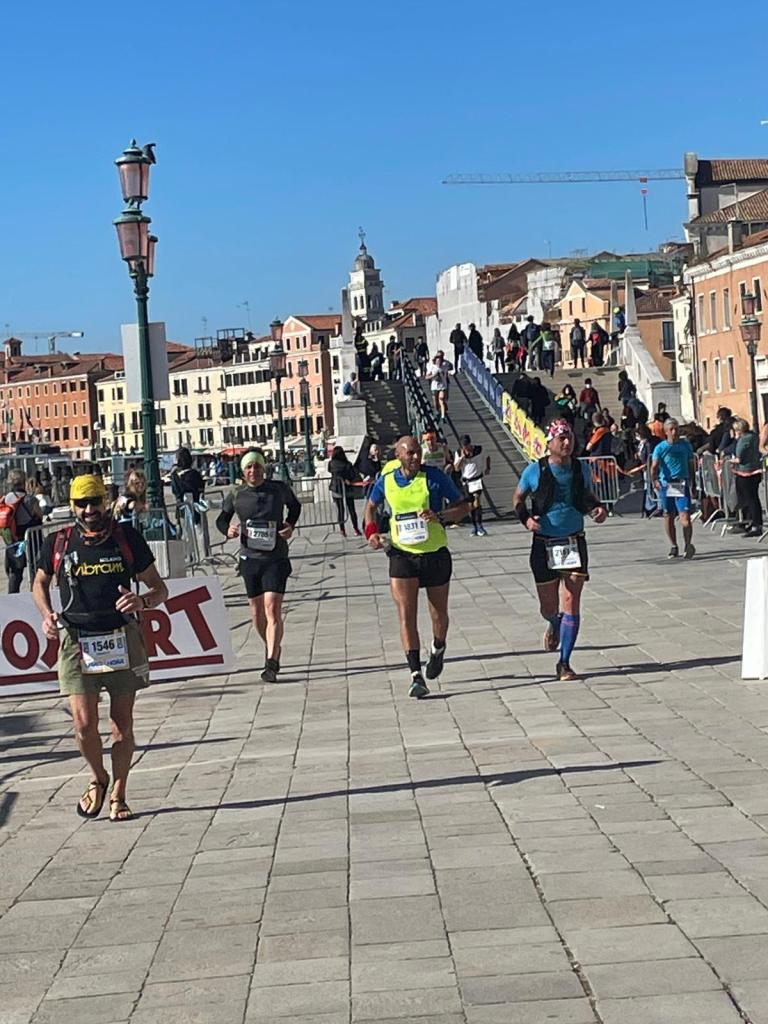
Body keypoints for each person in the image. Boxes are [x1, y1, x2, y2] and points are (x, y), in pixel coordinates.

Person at [32, 474, 168, 821]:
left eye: (94, 501)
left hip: (121, 636)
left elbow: (159, 589)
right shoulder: (59, 541)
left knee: (121, 724)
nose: (89, 509)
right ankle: (99, 777)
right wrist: (47, 615)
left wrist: (142, 601)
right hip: (76, 640)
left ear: (105, 502)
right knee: (83, 725)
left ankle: (119, 794)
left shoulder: (127, 538)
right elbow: (39, 582)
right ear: (72, 506)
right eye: (81, 503)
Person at [364, 436, 470, 698]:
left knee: (438, 615)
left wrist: (440, 516)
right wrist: (371, 532)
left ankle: (438, 647)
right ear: (398, 456)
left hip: (434, 554)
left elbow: (463, 507)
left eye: (417, 452)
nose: (415, 457)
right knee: (406, 614)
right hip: (402, 554)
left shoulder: (434, 477)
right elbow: (370, 507)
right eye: (409, 453)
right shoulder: (387, 480)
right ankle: (415, 675)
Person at [513, 419, 607, 681]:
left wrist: (597, 508)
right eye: (561, 438)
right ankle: (554, 623)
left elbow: (586, 494)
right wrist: (526, 519)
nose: (567, 443)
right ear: (550, 443)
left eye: (570, 438)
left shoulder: (579, 468)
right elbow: (518, 498)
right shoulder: (535, 470)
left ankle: (564, 662)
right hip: (544, 543)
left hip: (573, 541)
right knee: (549, 607)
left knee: (572, 602)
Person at [216, 450, 301, 682]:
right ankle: (272, 645)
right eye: (249, 467)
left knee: (272, 608)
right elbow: (221, 519)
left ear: (264, 468)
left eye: (257, 466)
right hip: (250, 558)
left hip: (276, 557)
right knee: (256, 612)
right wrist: (228, 530)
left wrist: (290, 525)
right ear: (243, 471)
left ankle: (271, 662)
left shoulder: (278, 489)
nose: (253, 471)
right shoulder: (236, 494)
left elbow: (295, 507)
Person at [650, 418, 697, 559]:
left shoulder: (685, 446)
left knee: (685, 516)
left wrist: (693, 483)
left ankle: (688, 545)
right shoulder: (661, 448)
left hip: (681, 483)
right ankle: (674, 545)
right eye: (671, 429)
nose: (675, 432)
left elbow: (691, 465)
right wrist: (654, 480)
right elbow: (654, 467)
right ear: (666, 432)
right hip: (667, 484)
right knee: (668, 515)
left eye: (676, 428)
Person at [1, 469, 43, 594]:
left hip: (13, 539)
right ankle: (35, 594)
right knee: (34, 568)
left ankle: (13, 598)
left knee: (15, 573)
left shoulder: (5, 499)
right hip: (31, 540)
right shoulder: (30, 499)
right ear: (24, 482)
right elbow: (40, 515)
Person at [454, 434, 491, 537]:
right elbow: (456, 468)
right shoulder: (458, 453)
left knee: (477, 501)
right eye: (464, 446)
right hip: (466, 481)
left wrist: (488, 467)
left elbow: (487, 456)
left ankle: (480, 526)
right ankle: (474, 527)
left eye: (467, 445)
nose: (466, 447)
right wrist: (462, 458)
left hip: (477, 479)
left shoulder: (479, 449)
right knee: (470, 505)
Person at [731, 418, 763, 537]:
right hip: (756, 471)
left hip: (745, 472)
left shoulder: (743, 440)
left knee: (749, 499)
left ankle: (754, 524)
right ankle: (755, 523)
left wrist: (728, 461)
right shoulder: (754, 436)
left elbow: (739, 458)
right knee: (754, 498)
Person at [327, 446, 362, 537]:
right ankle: (356, 528)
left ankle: (342, 530)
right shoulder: (347, 464)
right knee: (351, 509)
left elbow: (329, 470)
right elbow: (353, 474)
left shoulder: (331, 464)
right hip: (347, 487)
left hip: (336, 487)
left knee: (340, 510)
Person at [425, 350, 453, 421]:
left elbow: (451, 366)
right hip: (434, 386)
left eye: (440, 361)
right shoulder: (432, 367)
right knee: (436, 403)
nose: (439, 362)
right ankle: (438, 411)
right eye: (438, 361)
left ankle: (443, 417)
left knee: (441, 399)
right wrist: (433, 376)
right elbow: (426, 377)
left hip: (442, 385)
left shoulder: (445, 365)